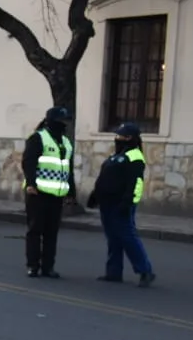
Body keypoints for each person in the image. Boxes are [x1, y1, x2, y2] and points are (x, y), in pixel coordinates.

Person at [87, 121, 155, 286]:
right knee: (113, 238)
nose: (117, 138)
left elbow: (135, 183)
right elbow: (105, 177)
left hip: (120, 203)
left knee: (128, 238)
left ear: (130, 138)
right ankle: (113, 272)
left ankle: (145, 271)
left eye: (121, 136)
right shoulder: (117, 155)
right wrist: (95, 194)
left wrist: (128, 202)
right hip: (107, 202)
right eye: (117, 135)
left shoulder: (135, 157)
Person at [21, 106, 76, 278]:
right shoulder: (38, 138)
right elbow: (28, 162)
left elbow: (68, 168)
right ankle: (33, 265)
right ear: (53, 121)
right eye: (62, 121)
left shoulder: (66, 142)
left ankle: (48, 267)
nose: (65, 124)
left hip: (57, 195)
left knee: (51, 233)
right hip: (37, 193)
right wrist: (31, 184)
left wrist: (71, 191)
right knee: (35, 231)